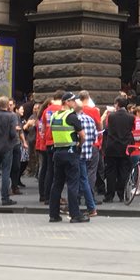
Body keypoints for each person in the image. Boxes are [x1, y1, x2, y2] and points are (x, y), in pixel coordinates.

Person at [49, 92, 88, 224]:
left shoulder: (54, 116)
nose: (74, 103)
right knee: (72, 184)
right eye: (72, 101)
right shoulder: (71, 116)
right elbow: (82, 136)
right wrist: (79, 144)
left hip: (57, 152)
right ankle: (75, 215)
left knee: (57, 184)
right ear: (66, 102)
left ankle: (53, 215)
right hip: (71, 153)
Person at [103, 97, 134, 202]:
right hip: (125, 148)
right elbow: (132, 130)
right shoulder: (131, 117)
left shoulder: (111, 116)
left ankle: (110, 195)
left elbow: (106, 129)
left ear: (117, 104)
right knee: (124, 172)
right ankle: (122, 194)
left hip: (112, 147)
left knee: (111, 172)